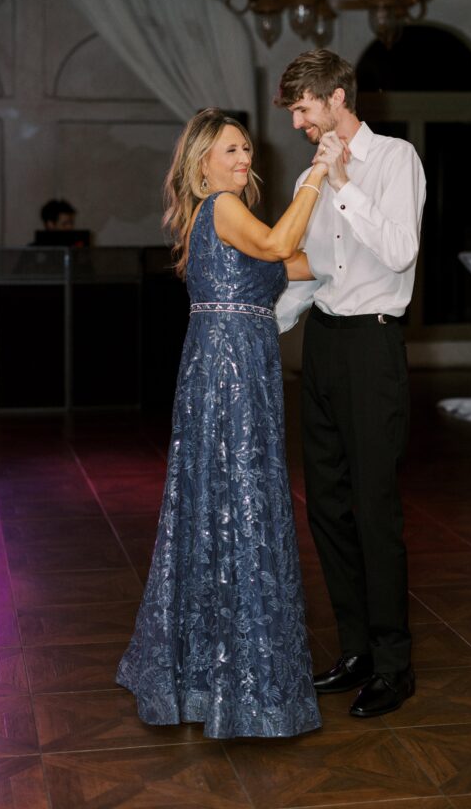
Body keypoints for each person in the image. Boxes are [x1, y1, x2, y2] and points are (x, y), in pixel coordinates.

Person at [117, 107, 332, 739]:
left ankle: (208, 676)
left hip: (236, 369)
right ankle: (242, 685)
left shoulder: (224, 216)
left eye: (246, 151)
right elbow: (278, 247)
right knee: (241, 505)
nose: (244, 160)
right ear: (203, 161)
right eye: (232, 150)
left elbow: (293, 265)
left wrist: (346, 247)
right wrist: (317, 177)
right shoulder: (220, 207)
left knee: (221, 507)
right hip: (231, 374)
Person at [275, 49, 426, 719]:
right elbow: (312, 273)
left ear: (336, 97)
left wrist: (339, 181)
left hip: (373, 345)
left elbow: (396, 251)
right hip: (326, 347)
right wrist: (258, 333)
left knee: (372, 509)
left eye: (304, 110)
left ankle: (395, 666)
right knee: (327, 508)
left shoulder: (395, 161)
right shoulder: (313, 171)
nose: (300, 125)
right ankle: (357, 650)